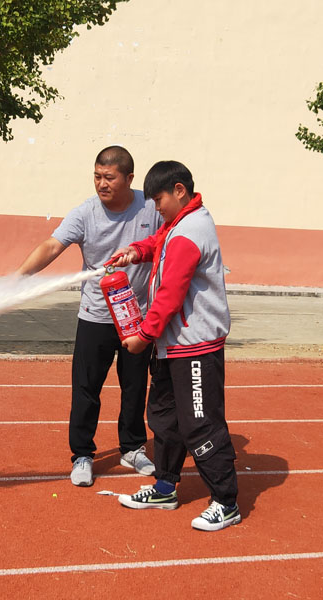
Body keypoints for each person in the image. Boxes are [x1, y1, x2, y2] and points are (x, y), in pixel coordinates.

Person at [16, 146, 161, 486]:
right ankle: (82, 454)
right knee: (86, 389)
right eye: (97, 176)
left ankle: (132, 448)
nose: (101, 184)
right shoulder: (85, 213)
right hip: (95, 315)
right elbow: (53, 246)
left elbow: (166, 240)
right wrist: (18, 276)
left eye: (109, 177)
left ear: (128, 178)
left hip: (137, 318)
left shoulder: (150, 208)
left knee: (135, 387)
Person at [112, 160, 240, 531]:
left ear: (179, 191)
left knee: (200, 424)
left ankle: (226, 501)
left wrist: (143, 336)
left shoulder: (190, 231)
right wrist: (137, 251)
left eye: (159, 199)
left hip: (194, 347)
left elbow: (169, 295)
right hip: (172, 346)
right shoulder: (179, 224)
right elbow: (160, 242)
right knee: (164, 418)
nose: (156, 207)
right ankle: (166, 487)